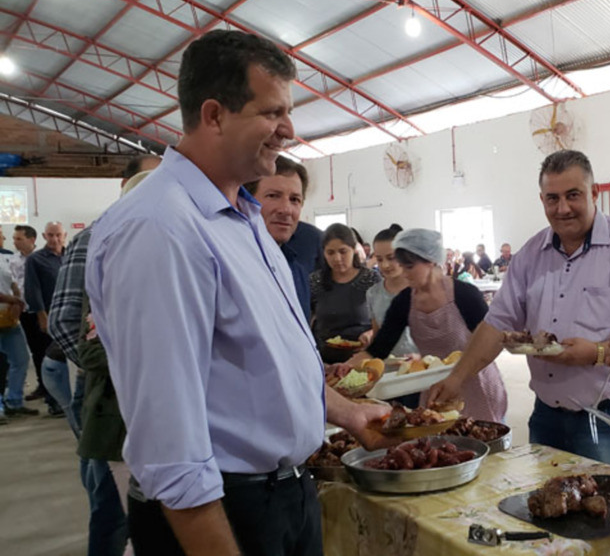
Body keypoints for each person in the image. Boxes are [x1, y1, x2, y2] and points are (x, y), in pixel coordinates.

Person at [84, 29, 392, 556]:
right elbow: (170, 446)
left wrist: (346, 411)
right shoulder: (161, 229)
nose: (289, 129)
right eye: (272, 113)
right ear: (213, 115)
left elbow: (267, 363)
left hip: (282, 495)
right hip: (221, 515)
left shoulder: (242, 217)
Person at [428, 150, 610, 474]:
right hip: (547, 416)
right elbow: (497, 324)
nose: (562, 208)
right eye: (552, 198)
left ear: (594, 192)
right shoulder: (529, 256)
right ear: (542, 200)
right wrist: (456, 379)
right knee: (547, 513)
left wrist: (600, 352)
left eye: (573, 195)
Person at [49, 162, 159, 556]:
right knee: (112, 514)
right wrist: (153, 364)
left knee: (151, 519)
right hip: (115, 416)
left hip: (162, 417)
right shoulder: (105, 261)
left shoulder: (172, 262)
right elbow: (80, 340)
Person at [350, 229, 508, 422]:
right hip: (434, 389)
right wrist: (345, 371)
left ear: (431, 260)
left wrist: (459, 376)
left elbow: (492, 340)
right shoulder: (405, 301)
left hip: (476, 383)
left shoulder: (465, 295)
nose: (404, 273)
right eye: (403, 266)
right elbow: (379, 349)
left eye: (410, 267)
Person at [244, 156, 318, 319]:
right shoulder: (231, 267)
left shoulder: (296, 270)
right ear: (246, 201)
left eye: (294, 200)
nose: (286, 209)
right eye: (273, 196)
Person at [310, 223, 381, 363]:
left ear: (354, 250)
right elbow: (308, 318)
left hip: (361, 358)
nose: (337, 258)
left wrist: (370, 333)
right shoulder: (315, 281)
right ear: (323, 253)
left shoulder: (370, 279)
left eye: (343, 251)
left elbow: (384, 320)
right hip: (325, 360)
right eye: (330, 252)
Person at [24, 221, 66, 417]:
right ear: (43, 236)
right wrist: (42, 315)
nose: (54, 239)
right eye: (50, 235)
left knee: (67, 359)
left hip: (68, 315)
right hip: (48, 314)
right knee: (48, 357)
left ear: (64, 235)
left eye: (58, 235)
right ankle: (52, 401)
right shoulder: (36, 259)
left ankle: (67, 397)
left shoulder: (69, 255)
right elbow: (33, 289)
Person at [365, 224, 418, 357]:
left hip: (421, 365)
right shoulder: (373, 293)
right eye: (379, 259)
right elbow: (377, 334)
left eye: (391, 258)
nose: (385, 265)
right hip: (388, 366)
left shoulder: (419, 290)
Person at [12, 224, 50, 405]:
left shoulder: (43, 258)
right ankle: (42, 385)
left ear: (32, 239)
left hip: (41, 310)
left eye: (19, 239)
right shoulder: (14, 261)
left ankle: (51, 388)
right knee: (36, 350)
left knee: (48, 349)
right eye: (14, 239)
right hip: (25, 312)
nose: (15, 242)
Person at [0, 251, 35, 423]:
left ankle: (14, 401)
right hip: (6, 309)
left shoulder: (3, 258)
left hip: (8, 318)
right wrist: (14, 300)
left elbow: (13, 282)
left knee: (20, 359)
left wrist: (17, 299)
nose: (3, 237)